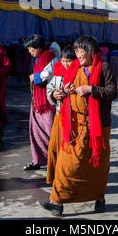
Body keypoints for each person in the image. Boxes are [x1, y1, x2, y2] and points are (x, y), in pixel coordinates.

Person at [37, 35, 118, 217]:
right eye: (75, 50)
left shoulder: (103, 68)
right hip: (75, 125)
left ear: (90, 51)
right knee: (66, 164)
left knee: (97, 166)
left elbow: (113, 91)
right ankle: (56, 201)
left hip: (98, 126)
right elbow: (66, 88)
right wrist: (63, 92)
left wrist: (92, 89)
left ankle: (99, 197)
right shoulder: (75, 68)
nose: (77, 54)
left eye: (79, 50)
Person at [24, 34, 58, 170]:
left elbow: (49, 73)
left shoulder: (50, 57)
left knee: (51, 132)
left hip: (47, 103)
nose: (29, 52)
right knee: (36, 131)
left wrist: (35, 77)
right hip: (37, 103)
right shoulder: (39, 58)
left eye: (31, 49)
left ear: (37, 48)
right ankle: (38, 160)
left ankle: (55, 160)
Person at [46, 45, 75, 184]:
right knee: (54, 147)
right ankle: (55, 177)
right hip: (59, 114)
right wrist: (53, 94)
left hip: (74, 116)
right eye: (63, 60)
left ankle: (68, 177)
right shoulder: (57, 71)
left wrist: (66, 93)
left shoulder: (79, 72)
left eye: (68, 60)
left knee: (69, 149)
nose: (65, 64)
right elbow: (49, 88)